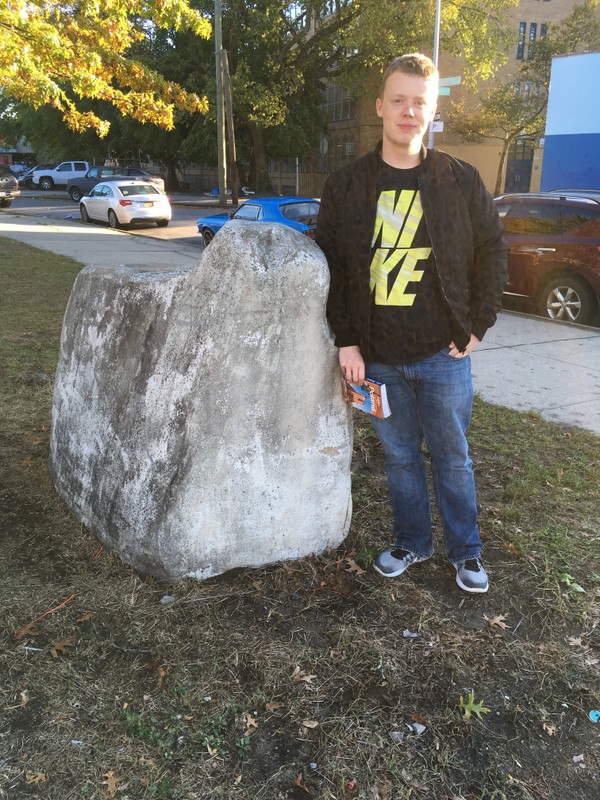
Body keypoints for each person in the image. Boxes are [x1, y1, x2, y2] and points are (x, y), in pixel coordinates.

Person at [315, 53, 508, 594]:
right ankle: (411, 542)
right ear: (380, 107)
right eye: (397, 100)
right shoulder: (348, 184)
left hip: (441, 353)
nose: (407, 111)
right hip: (376, 356)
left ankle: (466, 552)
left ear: (432, 110)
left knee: (452, 458)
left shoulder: (459, 180)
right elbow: (330, 265)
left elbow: (493, 250)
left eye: (418, 102)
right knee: (399, 458)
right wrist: (346, 341)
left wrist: (479, 325)